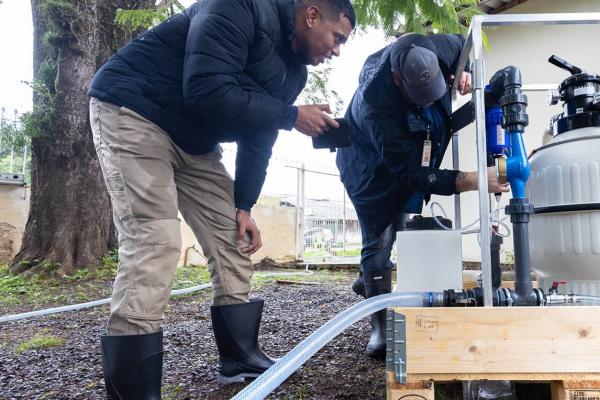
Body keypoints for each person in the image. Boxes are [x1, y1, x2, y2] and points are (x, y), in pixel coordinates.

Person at [88, 0, 355, 397]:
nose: (336, 50)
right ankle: (131, 391)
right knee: (155, 243)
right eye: (337, 38)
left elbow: (258, 135)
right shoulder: (238, 6)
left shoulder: (293, 73)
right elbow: (205, 89)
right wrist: (290, 115)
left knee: (233, 239)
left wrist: (243, 206)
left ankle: (239, 357)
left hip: (195, 142)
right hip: (136, 110)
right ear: (312, 15)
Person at [335, 33, 510, 359]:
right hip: (369, 172)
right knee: (380, 238)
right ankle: (381, 324)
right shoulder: (376, 104)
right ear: (398, 80)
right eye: (422, 98)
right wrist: (471, 179)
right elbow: (407, 172)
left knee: (403, 221)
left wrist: (467, 70)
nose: (430, 102)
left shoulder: (441, 47)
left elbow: (464, 47)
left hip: (410, 153)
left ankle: (368, 281)